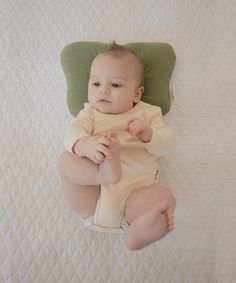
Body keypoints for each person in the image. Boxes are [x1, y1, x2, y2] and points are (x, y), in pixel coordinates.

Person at [57, 42, 176, 251]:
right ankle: (105, 174)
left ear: (137, 94)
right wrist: (85, 145)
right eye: (96, 84)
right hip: (94, 197)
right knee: (65, 160)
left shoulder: (148, 114)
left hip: (134, 198)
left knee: (165, 198)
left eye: (116, 85)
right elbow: (71, 133)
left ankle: (139, 231)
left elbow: (168, 145)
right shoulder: (90, 114)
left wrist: (149, 135)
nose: (104, 90)